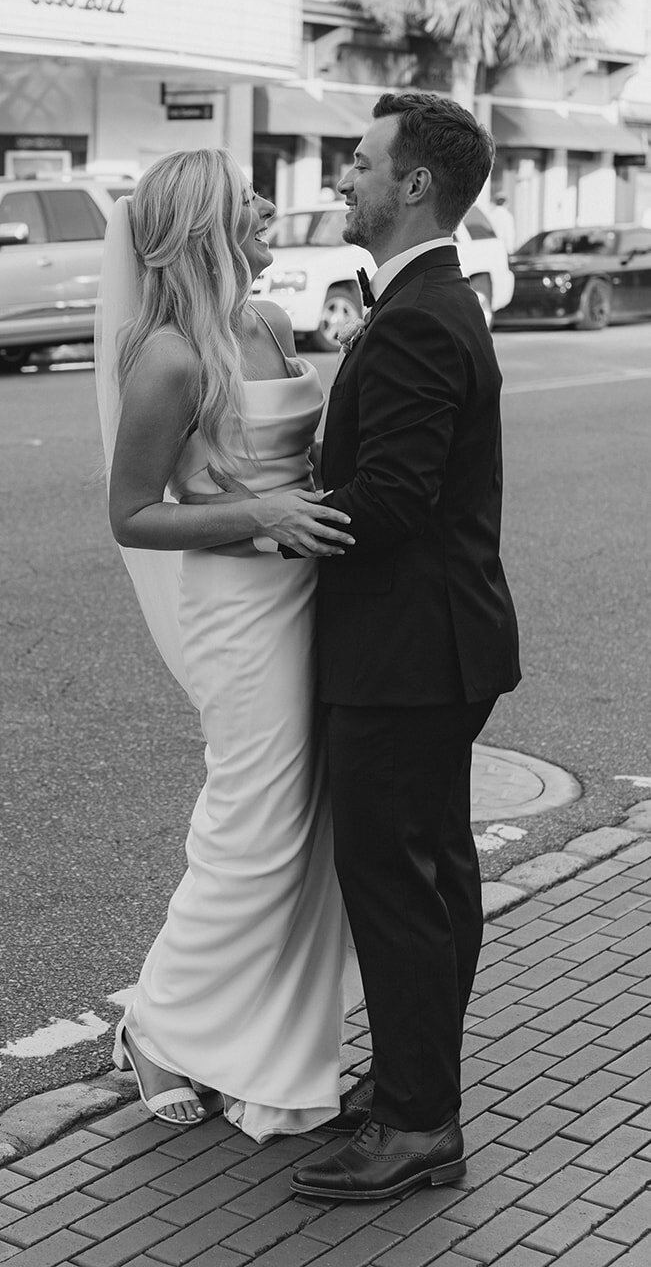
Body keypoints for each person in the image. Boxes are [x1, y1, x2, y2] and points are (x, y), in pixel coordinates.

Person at [279, 91, 522, 1201]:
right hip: (432, 645)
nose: (343, 177)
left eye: (360, 162)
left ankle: (417, 1122)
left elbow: (393, 500)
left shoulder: (422, 312)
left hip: (406, 654)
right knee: (433, 882)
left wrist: (276, 517)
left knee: (396, 887)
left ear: (412, 184)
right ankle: (416, 1097)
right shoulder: (426, 298)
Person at [95, 148, 361, 1142]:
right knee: (251, 834)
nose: (263, 202)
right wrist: (259, 517)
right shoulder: (163, 355)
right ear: (202, 224)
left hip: (307, 593)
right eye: (242, 194)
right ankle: (155, 1024)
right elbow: (130, 515)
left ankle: (256, 1038)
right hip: (239, 611)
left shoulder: (267, 322)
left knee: (308, 831)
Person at [488, 189, 516, 255]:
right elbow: (509, 234)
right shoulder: (508, 216)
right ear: (505, 203)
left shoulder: (490, 215)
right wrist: (510, 250)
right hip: (503, 249)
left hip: (492, 248)